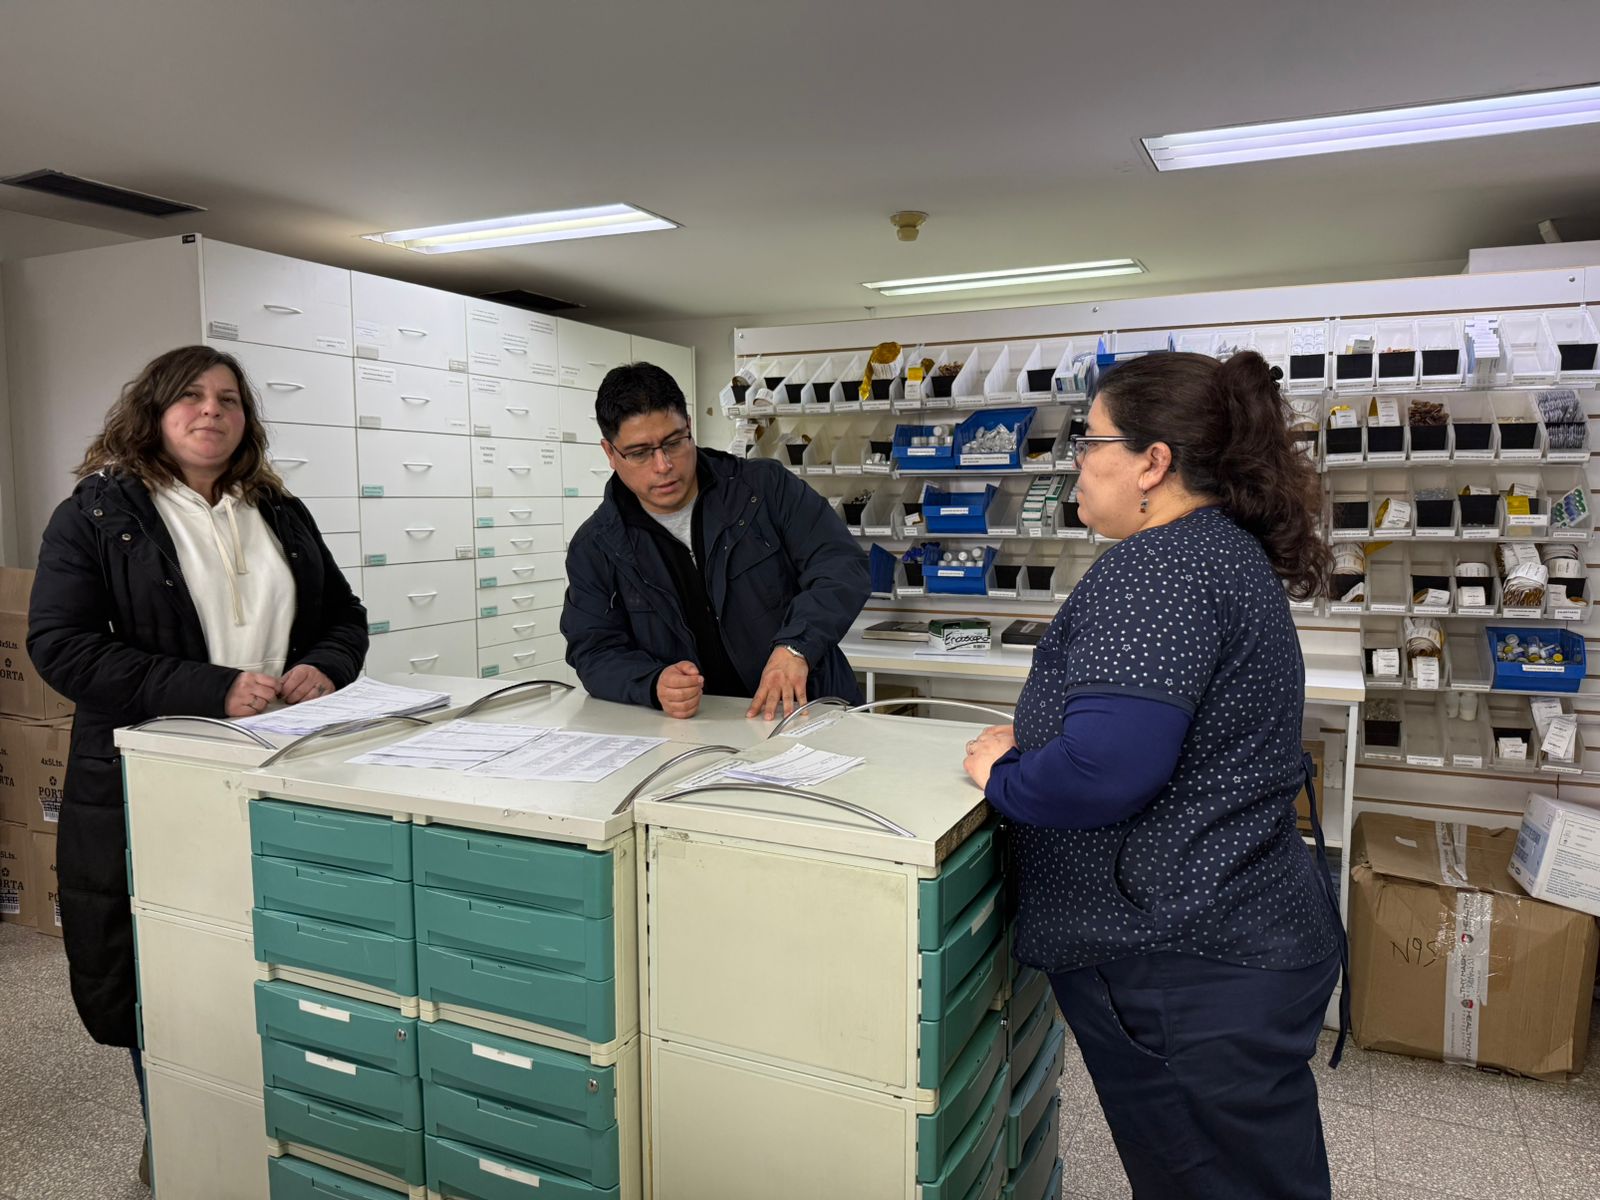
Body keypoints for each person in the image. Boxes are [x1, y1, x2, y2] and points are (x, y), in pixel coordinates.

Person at [961, 351, 1344, 1200]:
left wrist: (1008, 773)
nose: (1077, 465)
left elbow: (1103, 772)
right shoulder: (1216, 552)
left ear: (1153, 461)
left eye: (1089, 442)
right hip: (1234, 934)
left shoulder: (1158, 569)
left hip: (1183, 960)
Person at [27, 344, 368, 1184]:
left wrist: (323, 664)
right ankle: (176, 1132)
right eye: (189, 396)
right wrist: (210, 689)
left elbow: (345, 617)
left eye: (228, 398)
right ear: (152, 410)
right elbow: (59, 647)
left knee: (274, 951)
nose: (210, 411)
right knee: (169, 968)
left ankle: (283, 1126)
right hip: (152, 785)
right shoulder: (99, 513)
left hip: (279, 768)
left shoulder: (279, 510)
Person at [562, 362, 869, 720]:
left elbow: (841, 566)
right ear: (610, 453)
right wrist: (652, 683)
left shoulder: (764, 489)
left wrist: (796, 647)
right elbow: (594, 649)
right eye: (640, 453)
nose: (663, 466)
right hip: (697, 729)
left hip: (806, 711)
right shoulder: (596, 546)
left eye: (673, 443)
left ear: (689, 427)